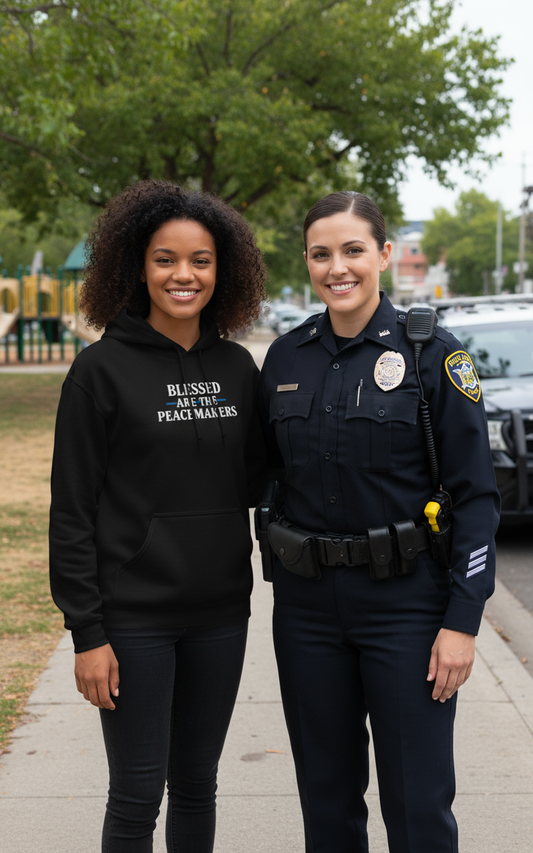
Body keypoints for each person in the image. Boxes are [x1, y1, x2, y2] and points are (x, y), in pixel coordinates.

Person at [258, 191, 500, 853]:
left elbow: (476, 497)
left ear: (384, 255)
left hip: (406, 607)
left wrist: (460, 621)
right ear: (306, 261)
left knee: (417, 806)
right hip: (306, 611)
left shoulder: (432, 356)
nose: (337, 266)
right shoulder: (285, 358)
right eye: (320, 253)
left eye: (352, 250)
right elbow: (257, 475)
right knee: (327, 807)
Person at [49, 179, 267, 853]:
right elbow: (72, 511)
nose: (183, 274)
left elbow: (262, 479)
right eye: (165, 258)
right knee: (138, 791)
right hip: (133, 618)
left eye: (200, 260)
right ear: (135, 267)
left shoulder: (237, 368)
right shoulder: (100, 371)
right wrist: (87, 631)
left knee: (197, 782)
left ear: (220, 271)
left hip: (220, 614)